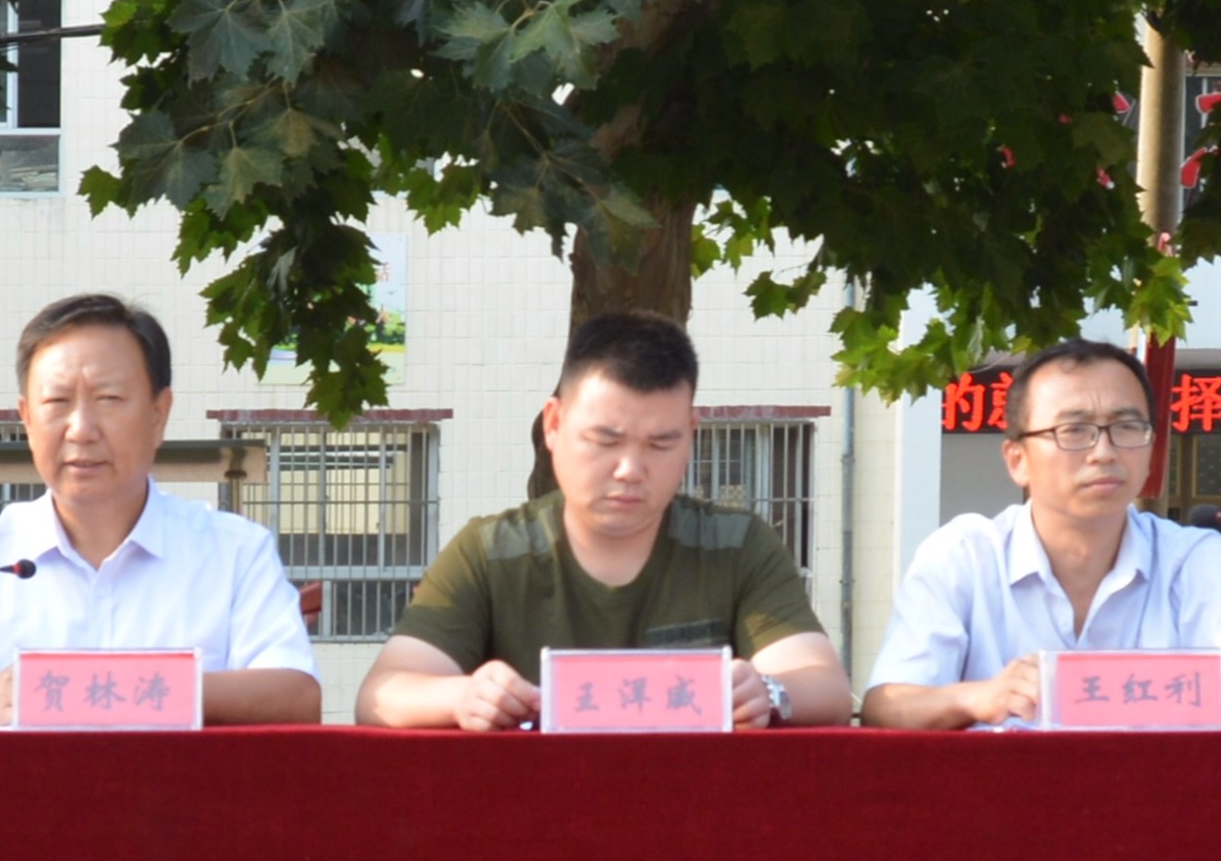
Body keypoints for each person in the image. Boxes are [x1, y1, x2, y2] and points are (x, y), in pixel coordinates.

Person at [358, 311, 853, 730]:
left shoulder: (736, 546)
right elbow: (384, 693)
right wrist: (462, 696)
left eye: (661, 443)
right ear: (554, 424)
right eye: (606, 441)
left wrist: (767, 692)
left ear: (691, 433)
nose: (630, 470)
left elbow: (826, 687)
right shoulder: (490, 553)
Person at [0, 294, 321, 726]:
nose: (81, 429)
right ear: (26, 418)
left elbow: (295, 694)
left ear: (159, 413)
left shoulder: (234, 551)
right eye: (57, 402)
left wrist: (127, 690)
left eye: (109, 400)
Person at [861, 337, 1221, 728]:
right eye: (1074, 431)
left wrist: (1125, 692)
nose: (1104, 452)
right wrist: (977, 697)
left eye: (1127, 427)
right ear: (1017, 460)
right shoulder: (964, 555)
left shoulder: (1191, 556)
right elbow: (888, 706)